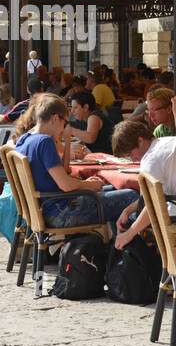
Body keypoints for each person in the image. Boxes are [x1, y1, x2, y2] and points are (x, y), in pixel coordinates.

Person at [13, 93, 139, 239]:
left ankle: (118, 252)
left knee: (115, 189)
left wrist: (66, 140)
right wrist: (87, 185)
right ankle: (127, 251)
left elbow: (65, 171)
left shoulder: (24, 139)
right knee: (131, 195)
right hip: (61, 213)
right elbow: (65, 184)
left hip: (45, 210)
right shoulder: (44, 142)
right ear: (55, 118)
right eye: (64, 123)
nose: (64, 128)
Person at [69, 90, 112, 156]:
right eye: (72, 107)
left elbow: (90, 138)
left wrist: (69, 129)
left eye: (75, 108)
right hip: (100, 156)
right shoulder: (87, 118)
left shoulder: (94, 117)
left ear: (86, 107)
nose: (72, 111)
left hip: (106, 157)